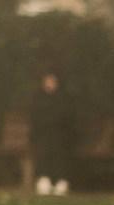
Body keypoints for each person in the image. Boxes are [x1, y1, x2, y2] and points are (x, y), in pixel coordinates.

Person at [30, 69, 80, 197]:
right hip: (44, 135)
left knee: (58, 144)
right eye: (47, 81)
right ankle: (44, 178)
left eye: (52, 81)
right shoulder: (38, 98)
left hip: (62, 136)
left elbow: (69, 121)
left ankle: (61, 181)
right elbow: (35, 121)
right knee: (45, 144)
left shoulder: (65, 98)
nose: (49, 84)